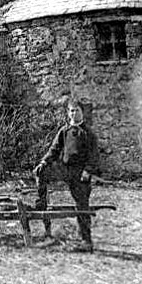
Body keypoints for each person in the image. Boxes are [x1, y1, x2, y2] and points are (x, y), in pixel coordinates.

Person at [32, 99, 100, 252]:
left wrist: (88, 171)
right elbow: (54, 149)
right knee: (41, 171)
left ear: (82, 112)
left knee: (82, 205)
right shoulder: (64, 131)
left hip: (80, 173)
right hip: (64, 169)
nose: (73, 113)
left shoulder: (88, 133)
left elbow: (94, 156)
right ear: (67, 113)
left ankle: (86, 240)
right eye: (71, 110)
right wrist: (44, 162)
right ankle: (41, 203)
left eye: (76, 110)